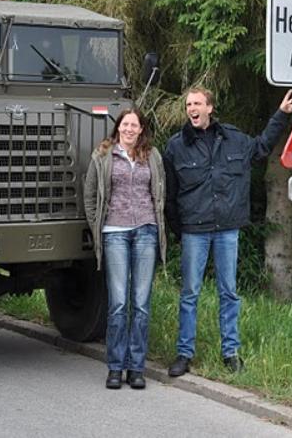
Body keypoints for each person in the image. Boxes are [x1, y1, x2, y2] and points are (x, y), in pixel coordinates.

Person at [164, 87, 292, 376]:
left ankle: (231, 353)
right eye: (188, 104)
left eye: (197, 103)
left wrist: (281, 115)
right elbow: (169, 195)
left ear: (210, 107)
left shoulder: (234, 139)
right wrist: (178, 230)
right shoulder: (176, 146)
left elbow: (261, 147)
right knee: (189, 293)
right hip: (194, 230)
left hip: (227, 229)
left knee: (229, 292)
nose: (191, 108)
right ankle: (184, 354)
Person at [83, 108, 166, 390]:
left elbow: (160, 192)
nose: (129, 129)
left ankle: (136, 368)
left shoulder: (152, 156)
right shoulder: (103, 155)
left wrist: (155, 223)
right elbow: (90, 194)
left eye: (135, 125)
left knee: (141, 304)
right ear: (118, 127)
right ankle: (116, 367)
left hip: (146, 231)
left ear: (141, 130)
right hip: (115, 233)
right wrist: (98, 225)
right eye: (125, 124)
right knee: (118, 304)